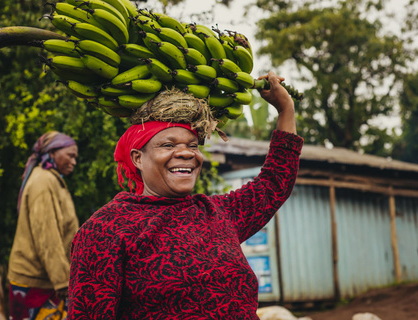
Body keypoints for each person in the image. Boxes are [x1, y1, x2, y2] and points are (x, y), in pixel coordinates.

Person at [68, 71, 303, 319]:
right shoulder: (106, 229)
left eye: (192, 145)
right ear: (138, 158)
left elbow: (275, 182)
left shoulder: (217, 213)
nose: (186, 153)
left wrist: (285, 109)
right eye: (168, 145)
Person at [8, 131, 79, 320]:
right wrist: (63, 281)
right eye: (70, 156)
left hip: (44, 279)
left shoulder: (52, 180)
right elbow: (47, 237)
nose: (74, 162)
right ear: (53, 152)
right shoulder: (43, 182)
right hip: (37, 282)